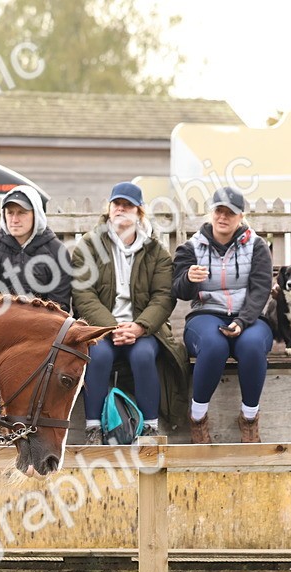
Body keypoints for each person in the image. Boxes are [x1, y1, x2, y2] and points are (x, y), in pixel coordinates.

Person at [71, 182, 188, 444]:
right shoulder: (88, 246)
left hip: (143, 329)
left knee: (144, 355)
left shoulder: (156, 251)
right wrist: (111, 328)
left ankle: (149, 428)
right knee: (97, 355)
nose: (121, 209)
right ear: (109, 209)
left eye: (128, 205)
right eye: (116, 204)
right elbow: (83, 296)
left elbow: (163, 296)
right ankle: (93, 428)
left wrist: (139, 327)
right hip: (101, 328)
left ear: (139, 212)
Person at [172, 187, 274, 443]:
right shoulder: (191, 247)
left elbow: (261, 289)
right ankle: (197, 417)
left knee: (252, 346)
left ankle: (249, 418)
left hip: (248, 316)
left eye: (231, 213)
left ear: (240, 217)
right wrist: (188, 278)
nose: (223, 217)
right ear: (211, 213)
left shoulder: (257, 246)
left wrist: (242, 321)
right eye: (219, 211)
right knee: (214, 346)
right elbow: (179, 291)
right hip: (206, 314)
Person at [0, 184, 72, 310]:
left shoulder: (57, 252)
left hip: (44, 327)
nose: (14, 219)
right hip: (2, 325)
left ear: (36, 215)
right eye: (10, 213)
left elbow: (59, 306)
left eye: (22, 213)